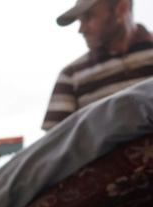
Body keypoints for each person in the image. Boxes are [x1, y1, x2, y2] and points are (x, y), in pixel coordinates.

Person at [43, 0, 153, 131]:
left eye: (89, 17)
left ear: (121, 9)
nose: (81, 29)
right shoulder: (71, 75)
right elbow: (56, 141)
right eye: (80, 21)